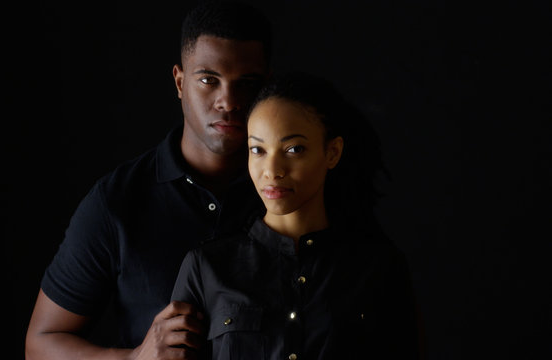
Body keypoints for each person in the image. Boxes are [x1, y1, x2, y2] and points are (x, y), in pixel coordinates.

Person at [25, 2, 272, 359]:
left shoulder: (293, 190)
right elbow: (40, 343)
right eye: (208, 80)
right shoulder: (118, 202)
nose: (228, 101)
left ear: (267, 86)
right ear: (179, 82)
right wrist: (134, 357)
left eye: (246, 84)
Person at [171, 72, 421, 359]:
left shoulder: (378, 267)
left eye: (293, 149)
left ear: (332, 152)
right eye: (258, 150)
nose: (272, 170)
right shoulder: (206, 269)